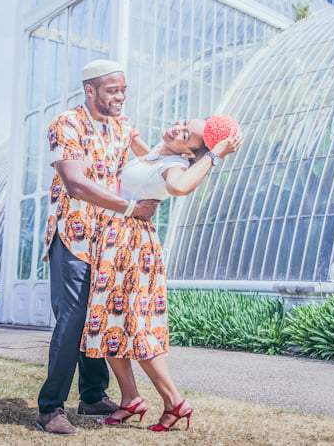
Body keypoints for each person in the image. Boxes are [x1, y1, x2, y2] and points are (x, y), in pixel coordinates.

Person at [88, 114, 241, 432]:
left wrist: (214, 156)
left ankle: (175, 403)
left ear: (189, 153)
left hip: (132, 246)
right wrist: (122, 127)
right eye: (184, 122)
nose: (179, 128)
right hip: (114, 242)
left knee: (136, 327)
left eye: (187, 134)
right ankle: (130, 399)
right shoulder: (158, 154)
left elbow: (178, 187)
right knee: (108, 325)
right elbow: (143, 157)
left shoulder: (177, 166)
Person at [36, 59, 161, 435]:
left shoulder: (122, 128)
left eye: (123, 89)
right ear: (90, 90)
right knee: (73, 320)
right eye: (112, 90)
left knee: (99, 318)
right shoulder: (66, 124)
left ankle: (92, 396)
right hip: (73, 236)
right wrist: (130, 207)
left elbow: (156, 158)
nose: (120, 96)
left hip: (108, 241)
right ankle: (49, 408)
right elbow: (74, 183)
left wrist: (208, 152)